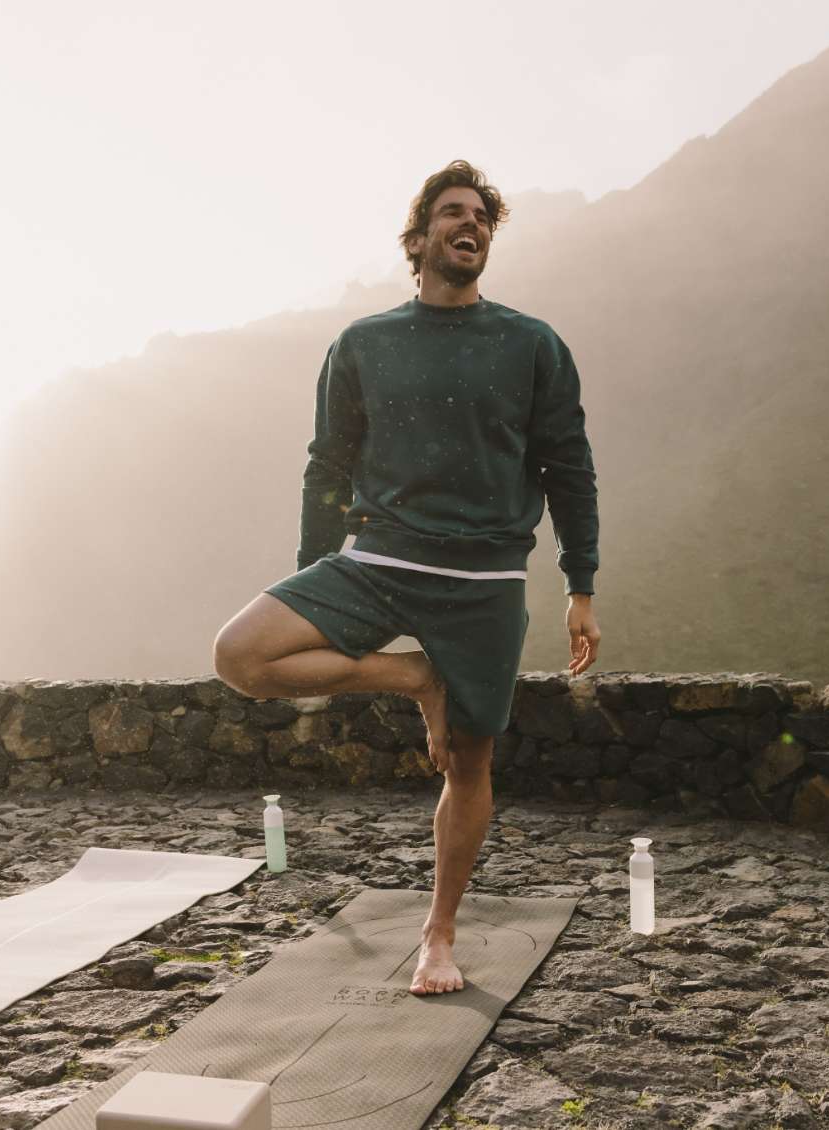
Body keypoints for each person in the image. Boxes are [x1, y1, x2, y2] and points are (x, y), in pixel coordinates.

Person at [210, 162, 602, 995]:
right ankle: (414, 677)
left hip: (486, 579)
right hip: (377, 560)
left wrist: (581, 584)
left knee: (470, 762)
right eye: (453, 214)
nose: (472, 226)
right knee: (242, 655)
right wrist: (313, 569)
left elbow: (569, 467)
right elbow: (328, 464)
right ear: (418, 239)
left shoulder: (531, 344)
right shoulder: (364, 343)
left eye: (483, 219)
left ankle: (439, 934)